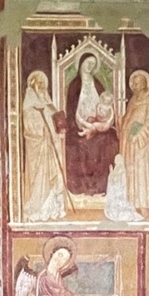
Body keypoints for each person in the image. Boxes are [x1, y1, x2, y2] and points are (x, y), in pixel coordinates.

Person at [65, 54, 119, 196]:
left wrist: (102, 124)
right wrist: (82, 124)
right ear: (81, 63)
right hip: (78, 125)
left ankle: (100, 186)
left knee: (110, 139)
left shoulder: (98, 84)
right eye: (88, 63)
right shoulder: (75, 85)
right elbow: (71, 109)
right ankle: (83, 186)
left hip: (99, 125)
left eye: (93, 64)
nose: (90, 66)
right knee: (77, 144)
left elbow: (107, 106)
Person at [22, 70, 67, 222]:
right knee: (40, 177)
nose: (41, 86)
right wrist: (41, 131)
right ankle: (38, 208)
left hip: (51, 147)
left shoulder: (48, 105)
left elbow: (58, 123)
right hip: (38, 148)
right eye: (38, 83)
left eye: (43, 83)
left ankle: (52, 209)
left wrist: (59, 126)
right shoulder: (29, 106)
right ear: (32, 85)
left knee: (53, 177)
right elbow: (29, 127)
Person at [120, 70, 149, 212]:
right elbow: (128, 117)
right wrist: (122, 123)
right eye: (134, 84)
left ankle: (142, 203)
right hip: (128, 142)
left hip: (140, 143)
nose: (135, 86)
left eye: (138, 83)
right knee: (129, 170)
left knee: (139, 171)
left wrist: (137, 134)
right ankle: (130, 201)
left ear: (145, 83)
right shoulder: (133, 100)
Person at [104, 154, 143, 222]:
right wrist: (111, 172)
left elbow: (116, 182)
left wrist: (111, 173)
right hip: (117, 194)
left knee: (120, 210)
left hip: (119, 194)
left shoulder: (120, 169)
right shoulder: (119, 168)